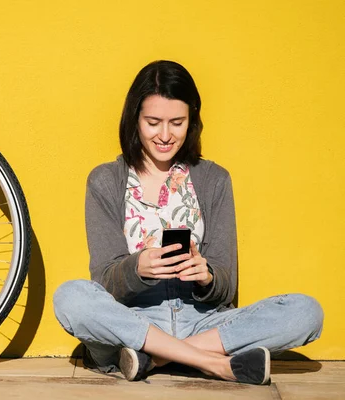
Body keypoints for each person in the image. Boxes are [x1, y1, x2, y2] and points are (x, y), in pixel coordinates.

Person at [53, 60, 324, 385]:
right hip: (134, 322)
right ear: (134, 119)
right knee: (70, 297)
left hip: (204, 322)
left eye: (177, 123)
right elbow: (105, 282)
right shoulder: (105, 181)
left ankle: (153, 358)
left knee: (306, 312)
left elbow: (227, 284)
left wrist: (206, 275)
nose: (165, 135)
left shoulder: (213, 179)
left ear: (191, 119)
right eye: (153, 122)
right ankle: (214, 363)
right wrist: (138, 268)